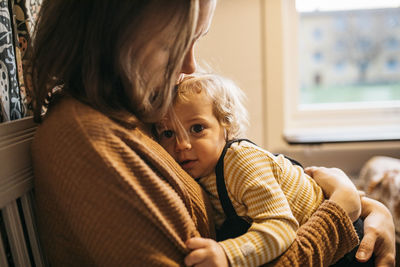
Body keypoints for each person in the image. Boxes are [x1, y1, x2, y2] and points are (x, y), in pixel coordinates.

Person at [27, 0, 396, 266]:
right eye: (174, 44)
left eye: (196, 40)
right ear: (110, 32)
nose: (190, 67)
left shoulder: (140, 120)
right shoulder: (93, 141)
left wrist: (368, 206)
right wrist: (339, 214)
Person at [155, 73, 372, 266]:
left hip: (348, 246)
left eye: (197, 128)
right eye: (168, 134)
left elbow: (281, 226)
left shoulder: (240, 160)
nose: (182, 144)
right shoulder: (199, 174)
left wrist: (227, 254)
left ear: (226, 126)